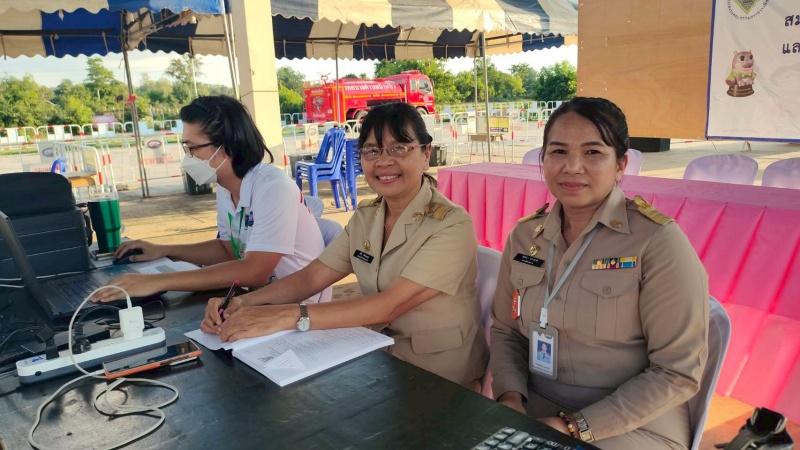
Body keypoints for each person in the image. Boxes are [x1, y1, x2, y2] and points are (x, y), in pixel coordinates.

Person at [200, 102, 488, 389]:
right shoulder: (367, 216)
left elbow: (389, 306)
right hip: (381, 357)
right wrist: (241, 303)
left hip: (442, 374)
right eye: (371, 151)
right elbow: (312, 277)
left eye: (399, 148)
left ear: (426, 154)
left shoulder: (451, 224)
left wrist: (286, 316)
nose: (384, 161)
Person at [489, 97, 708, 449]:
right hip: (536, 405)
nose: (572, 167)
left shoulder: (655, 241)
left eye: (593, 152)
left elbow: (676, 370)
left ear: (620, 164)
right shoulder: (525, 236)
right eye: (558, 152)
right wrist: (510, 398)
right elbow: (506, 331)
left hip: (633, 421)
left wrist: (571, 426)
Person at [93, 95, 330, 303]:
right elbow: (228, 249)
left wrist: (158, 281)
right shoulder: (227, 188)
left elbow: (255, 271)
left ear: (227, 147)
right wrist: (164, 250)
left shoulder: (272, 187)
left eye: (192, 148)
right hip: (261, 301)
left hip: (299, 306)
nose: (188, 157)